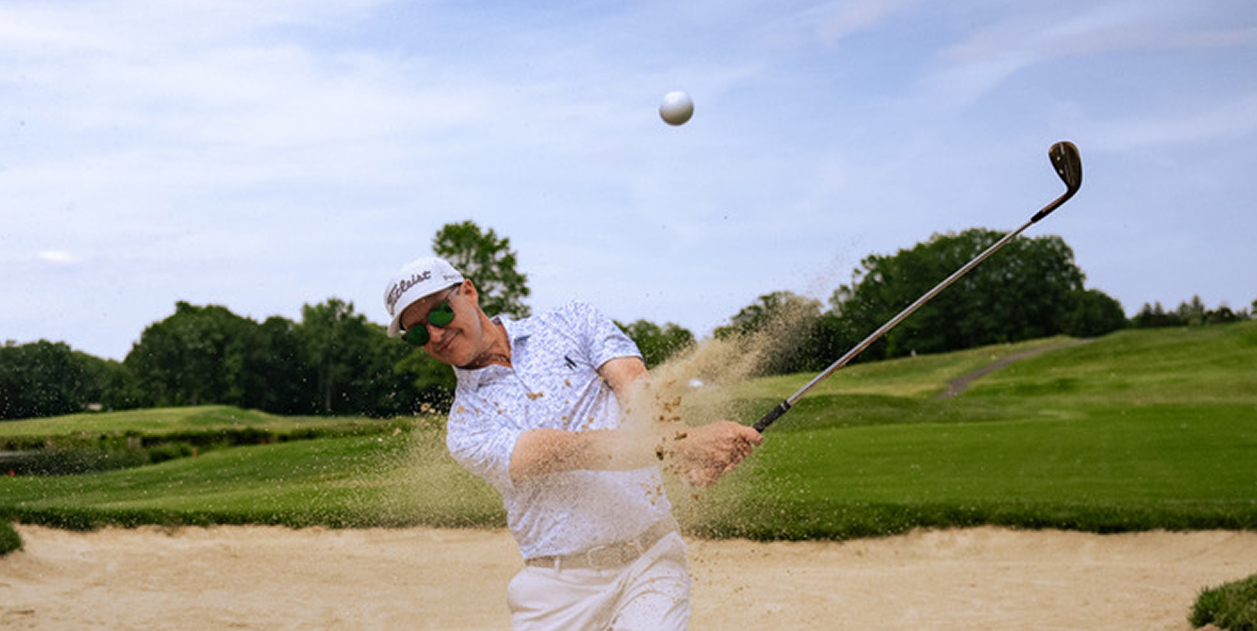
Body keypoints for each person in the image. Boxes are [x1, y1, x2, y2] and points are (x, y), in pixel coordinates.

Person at [383, 255, 762, 630]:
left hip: (652, 558)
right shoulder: (467, 429)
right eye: (416, 333)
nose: (434, 334)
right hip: (558, 592)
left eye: (439, 314)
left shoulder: (571, 321)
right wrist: (685, 446)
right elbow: (569, 451)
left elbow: (636, 387)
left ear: (468, 292)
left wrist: (683, 455)